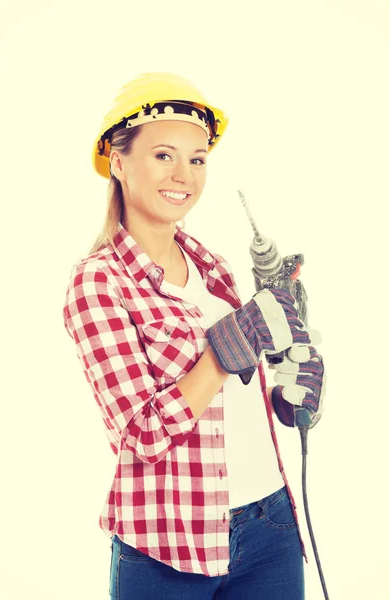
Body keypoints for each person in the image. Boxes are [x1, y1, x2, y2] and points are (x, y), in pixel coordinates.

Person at [62, 72, 325, 600]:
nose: (184, 174)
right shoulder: (98, 281)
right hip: (168, 544)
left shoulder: (211, 264)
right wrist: (227, 350)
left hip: (270, 521)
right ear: (118, 161)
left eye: (198, 158)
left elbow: (237, 394)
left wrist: (289, 394)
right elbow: (141, 435)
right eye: (163, 155)